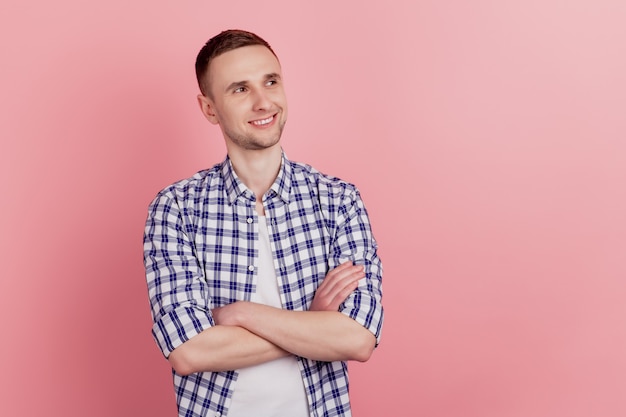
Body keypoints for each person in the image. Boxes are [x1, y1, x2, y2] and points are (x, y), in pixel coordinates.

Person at [143, 29, 383, 417]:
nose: (263, 101)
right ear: (209, 109)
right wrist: (314, 325)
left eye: (271, 81)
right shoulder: (176, 209)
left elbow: (358, 339)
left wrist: (243, 314)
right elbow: (189, 351)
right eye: (240, 89)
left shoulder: (339, 201)